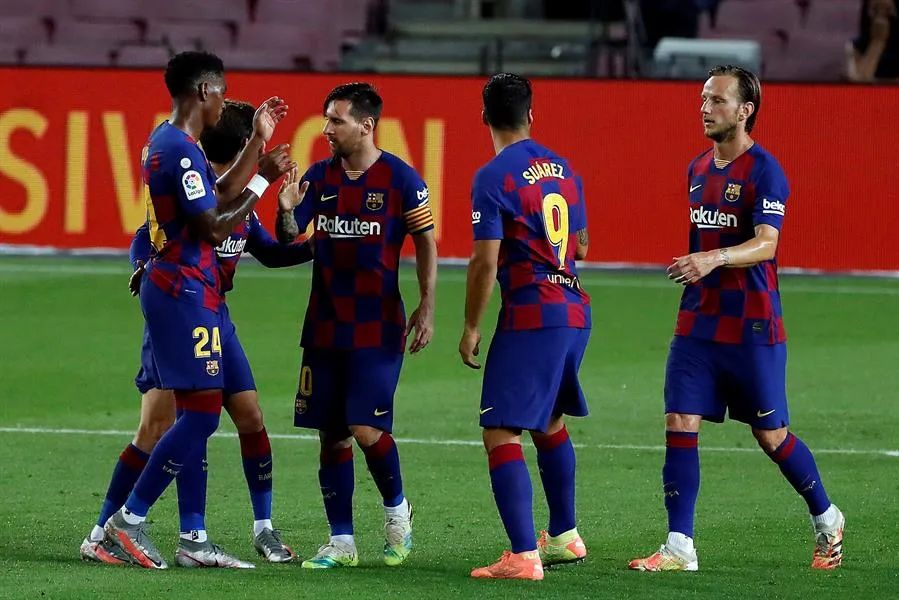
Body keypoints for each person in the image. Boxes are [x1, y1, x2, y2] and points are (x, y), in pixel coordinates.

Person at [629, 65, 844, 572]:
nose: (705, 108)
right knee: (680, 420)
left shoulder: (766, 171)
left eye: (718, 100)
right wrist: (700, 264)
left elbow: (768, 244)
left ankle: (827, 516)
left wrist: (713, 258)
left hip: (752, 326)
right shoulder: (696, 169)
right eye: (704, 99)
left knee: (771, 436)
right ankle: (679, 545)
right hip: (698, 324)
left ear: (745, 110)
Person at [80, 100, 312, 567]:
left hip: (213, 314)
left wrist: (320, 245)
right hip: (180, 313)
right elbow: (146, 236)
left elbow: (269, 251)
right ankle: (109, 532)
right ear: (247, 143)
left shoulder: (236, 198)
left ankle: (259, 529)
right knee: (162, 426)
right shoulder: (198, 185)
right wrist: (142, 268)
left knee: (247, 413)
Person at [275, 82, 437, 569]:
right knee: (331, 434)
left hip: (376, 326)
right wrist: (285, 213)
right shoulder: (320, 178)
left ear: (366, 125)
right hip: (324, 326)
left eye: (336, 120)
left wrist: (427, 303)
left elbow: (426, 241)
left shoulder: (402, 179)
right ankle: (341, 542)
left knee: (366, 427)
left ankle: (397, 513)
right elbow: (289, 238)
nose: (326, 130)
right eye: (325, 120)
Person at [458, 73, 591, 581]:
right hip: (574, 309)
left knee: (499, 428)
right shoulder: (563, 168)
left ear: (485, 117)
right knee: (550, 421)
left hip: (533, 313)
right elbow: (581, 245)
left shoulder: (493, 177)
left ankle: (522, 555)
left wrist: (472, 325)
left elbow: (484, 262)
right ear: (532, 115)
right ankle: (563, 536)